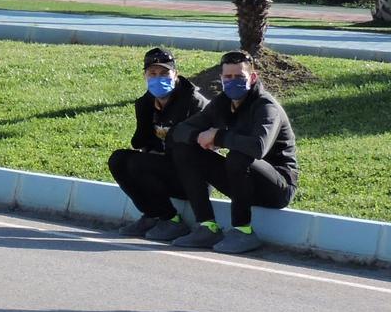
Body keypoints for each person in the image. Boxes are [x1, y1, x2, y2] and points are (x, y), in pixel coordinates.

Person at [166, 51, 298, 255]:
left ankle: (243, 230)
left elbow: (258, 147)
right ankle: (207, 226)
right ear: (221, 78)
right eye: (228, 77)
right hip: (241, 181)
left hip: (277, 187)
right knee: (185, 150)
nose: (233, 82)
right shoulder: (222, 103)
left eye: (239, 77)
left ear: (253, 77)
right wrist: (200, 138)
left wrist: (218, 136)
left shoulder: (266, 106)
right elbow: (180, 131)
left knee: (238, 156)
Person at [108, 46, 208, 240]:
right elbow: (142, 141)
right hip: (162, 166)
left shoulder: (194, 102)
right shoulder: (145, 103)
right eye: (152, 73)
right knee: (118, 159)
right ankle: (152, 214)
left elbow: (204, 148)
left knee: (139, 163)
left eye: (164, 73)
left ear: (176, 74)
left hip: (193, 176)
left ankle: (172, 220)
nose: (158, 78)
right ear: (145, 76)